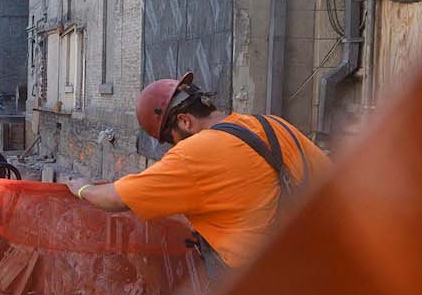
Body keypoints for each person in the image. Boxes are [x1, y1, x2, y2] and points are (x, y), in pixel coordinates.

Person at [65, 71, 330, 278]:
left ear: (184, 121)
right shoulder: (272, 124)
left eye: (171, 141)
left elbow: (116, 199)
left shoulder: (192, 155)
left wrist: (81, 188)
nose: (173, 148)